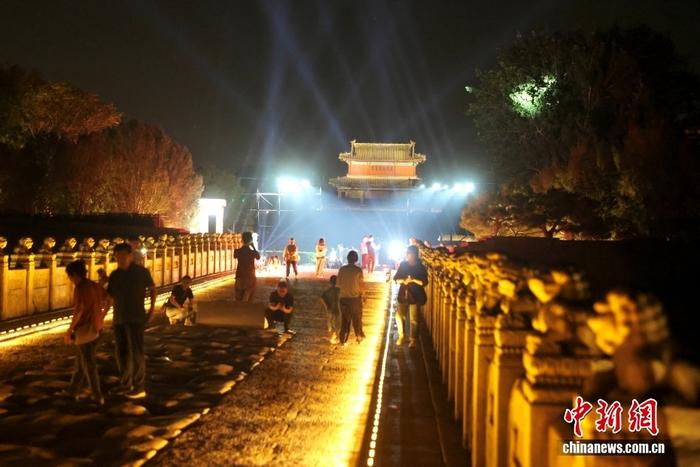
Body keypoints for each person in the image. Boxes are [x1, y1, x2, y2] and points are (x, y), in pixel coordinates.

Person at [107, 243, 156, 399]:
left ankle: (139, 386)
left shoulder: (141, 272)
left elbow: (152, 288)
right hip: (119, 318)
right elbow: (109, 296)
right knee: (121, 352)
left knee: (136, 352)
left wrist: (152, 309)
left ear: (130, 255)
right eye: (117, 257)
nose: (120, 259)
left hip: (136, 317)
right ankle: (125, 383)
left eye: (123, 256)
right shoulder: (115, 275)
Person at [58, 260, 109, 405]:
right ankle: (72, 391)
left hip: (85, 331)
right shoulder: (93, 285)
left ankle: (97, 395)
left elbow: (79, 310)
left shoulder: (80, 288)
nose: (70, 279)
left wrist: (69, 330)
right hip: (97, 328)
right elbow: (108, 299)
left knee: (89, 364)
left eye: (69, 276)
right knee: (81, 362)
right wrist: (101, 316)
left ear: (75, 275)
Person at [393, 245, 428, 348]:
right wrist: (403, 280)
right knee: (399, 315)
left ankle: (413, 339)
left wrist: (413, 280)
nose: (407, 255)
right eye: (407, 253)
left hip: (415, 294)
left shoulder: (420, 267)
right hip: (404, 293)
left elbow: (424, 282)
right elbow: (396, 278)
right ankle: (401, 335)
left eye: (409, 253)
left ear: (414, 254)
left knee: (414, 319)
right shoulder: (403, 265)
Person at [337, 250, 365, 345]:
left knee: (345, 320)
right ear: (356, 259)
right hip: (355, 299)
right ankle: (359, 336)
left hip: (343, 299)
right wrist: (363, 295)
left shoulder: (342, 269)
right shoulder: (358, 270)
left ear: (347, 258)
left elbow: (338, 284)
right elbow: (361, 285)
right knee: (357, 319)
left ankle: (343, 339)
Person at [234, 232, 260, 302]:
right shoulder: (252, 252)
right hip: (250, 277)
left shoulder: (237, 251)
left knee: (238, 299)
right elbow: (258, 257)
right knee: (249, 300)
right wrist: (253, 247)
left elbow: (235, 256)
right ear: (251, 240)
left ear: (242, 240)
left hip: (240, 276)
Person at [320, 275, 341, 344]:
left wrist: (326, 305)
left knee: (331, 323)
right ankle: (336, 336)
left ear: (330, 282)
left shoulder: (328, 291)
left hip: (330, 309)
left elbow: (322, 298)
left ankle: (333, 336)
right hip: (338, 309)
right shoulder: (339, 290)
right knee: (337, 323)